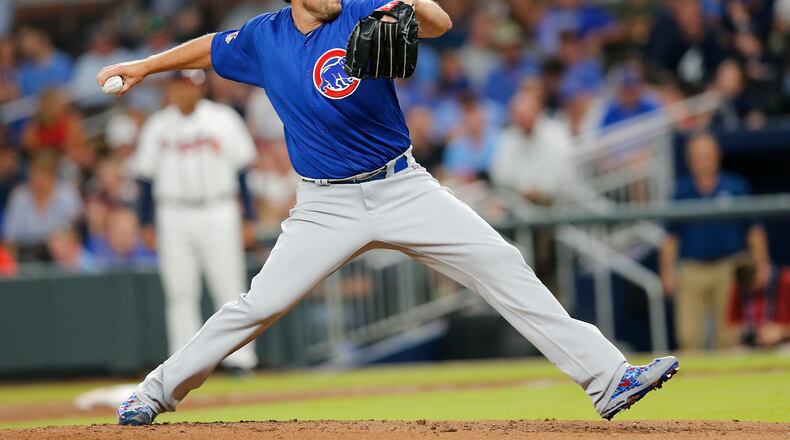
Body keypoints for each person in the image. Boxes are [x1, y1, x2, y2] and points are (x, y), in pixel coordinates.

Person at [100, 0, 678, 426]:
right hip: (325, 204)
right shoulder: (262, 38)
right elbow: (208, 47)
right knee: (257, 305)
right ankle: (154, 392)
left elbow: (437, 23)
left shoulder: (361, 8)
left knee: (502, 263)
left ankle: (607, 379)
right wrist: (145, 67)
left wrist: (408, 7)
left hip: (404, 186)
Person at [132, 69, 260, 375]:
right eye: (182, 84)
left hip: (219, 208)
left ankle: (239, 360)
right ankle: (182, 366)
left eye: (193, 85)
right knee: (179, 292)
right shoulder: (157, 126)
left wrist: (248, 218)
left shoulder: (223, 119)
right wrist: (145, 222)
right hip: (173, 212)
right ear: (172, 88)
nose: (188, 90)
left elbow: (242, 172)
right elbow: (145, 180)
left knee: (229, 287)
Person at [660, 133, 771, 351]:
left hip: (728, 268)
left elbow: (753, 229)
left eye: (706, 155)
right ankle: (691, 384)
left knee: (728, 337)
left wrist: (761, 263)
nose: (702, 161)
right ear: (689, 160)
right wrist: (667, 272)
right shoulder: (681, 191)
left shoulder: (735, 186)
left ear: (717, 156)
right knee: (689, 336)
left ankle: (733, 384)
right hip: (692, 269)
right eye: (697, 156)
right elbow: (671, 237)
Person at [2, 152, 82, 262]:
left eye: (43, 174)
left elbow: (76, 234)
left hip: (59, 256)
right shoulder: (19, 196)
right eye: (34, 174)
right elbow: (9, 239)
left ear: (52, 176)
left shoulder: (67, 195)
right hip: (25, 256)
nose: (37, 179)